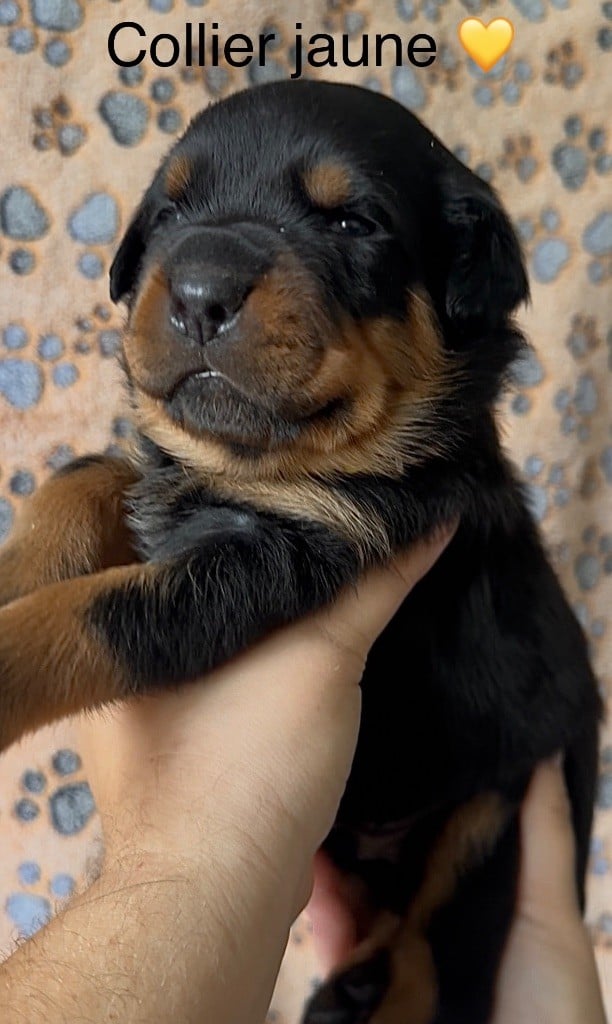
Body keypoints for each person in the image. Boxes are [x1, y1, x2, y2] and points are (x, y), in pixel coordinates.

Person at [0, 529, 605, 1024]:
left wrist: (180, 863)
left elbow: (231, 580)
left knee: (450, 948)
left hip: (467, 776)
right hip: (371, 785)